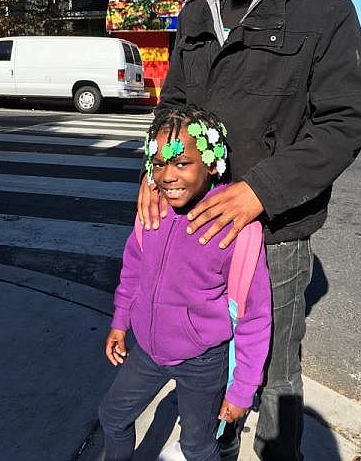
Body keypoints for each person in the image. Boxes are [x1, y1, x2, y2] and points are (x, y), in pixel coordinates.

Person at [138, 0, 361, 459]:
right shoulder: (196, 16)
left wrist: (259, 191)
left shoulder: (324, 11)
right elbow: (175, 106)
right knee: (204, 361)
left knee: (272, 373)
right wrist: (154, 165)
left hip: (274, 233)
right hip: (196, 229)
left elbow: (348, 119)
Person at [99, 105, 271, 461]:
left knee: (197, 447)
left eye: (181, 163)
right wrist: (120, 321)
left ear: (210, 163)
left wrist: (241, 392)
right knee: (112, 417)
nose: (168, 175)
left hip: (202, 361)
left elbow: (256, 318)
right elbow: (132, 269)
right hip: (148, 349)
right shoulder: (152, 211)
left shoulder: (233, 228)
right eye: (159, 163)